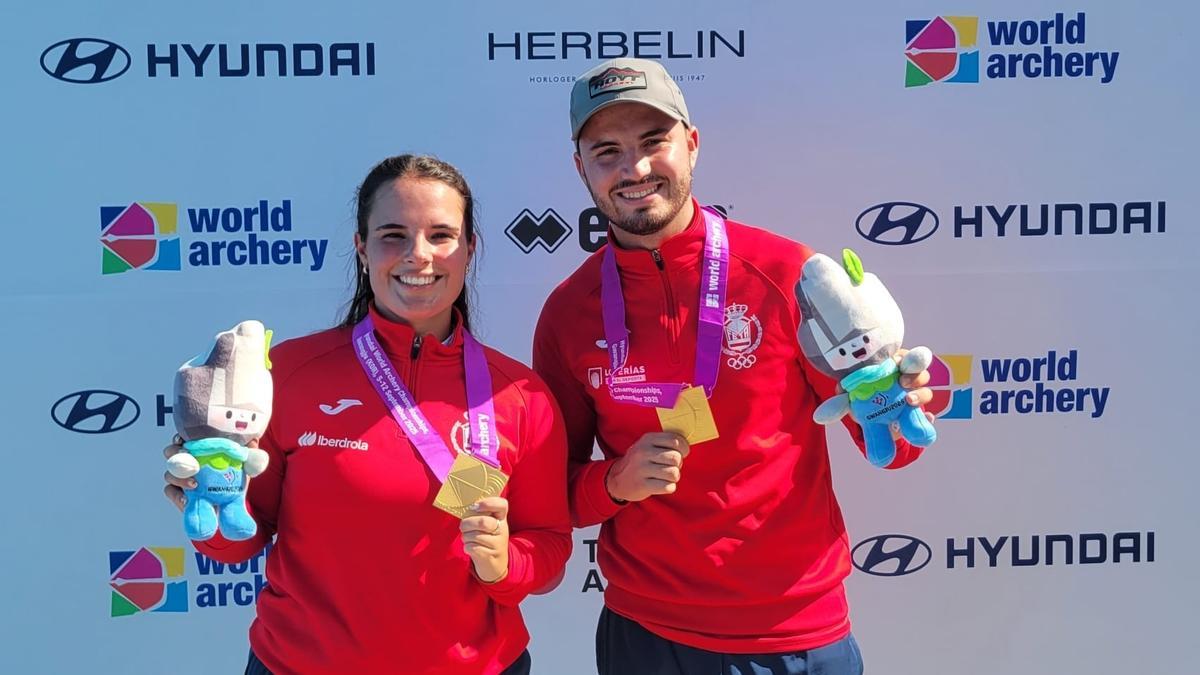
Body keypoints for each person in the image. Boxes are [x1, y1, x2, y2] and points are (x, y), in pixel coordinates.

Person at [532, 58, 937, 675]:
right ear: (580, 166)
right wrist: (613, 483)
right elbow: (550, 493)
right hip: (648, 632)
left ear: (691, 144)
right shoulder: (568, 312)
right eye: (607, 151)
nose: (634, 169)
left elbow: (892, 445)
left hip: (797, 631)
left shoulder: (789, 276)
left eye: (653, 142)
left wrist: (899, 402)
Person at [163, 155, 572, 675]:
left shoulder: (520, 394)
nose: (418, 256)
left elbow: (550, 544)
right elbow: (237, 546)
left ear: (470, 249)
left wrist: (503, 565)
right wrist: (208, 508)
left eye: (441, 235)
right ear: (362, 248)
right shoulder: (290, 372)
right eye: (393, 235)